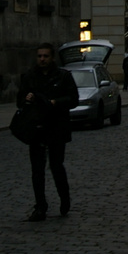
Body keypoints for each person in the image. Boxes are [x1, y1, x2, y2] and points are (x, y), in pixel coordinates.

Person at [18, 43, 77, 221]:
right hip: (36, 128)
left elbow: (73, 99)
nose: (42, 59)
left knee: (56, 166)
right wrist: (26, 99)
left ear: (52, 58)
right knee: (37, 169)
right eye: (39, 56)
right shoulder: (30, 77)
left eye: (45, 56)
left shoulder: (63, 76)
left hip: (56, 127)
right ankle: (40, 206)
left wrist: (55, 103)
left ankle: (64, 198)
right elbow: (19, 100)